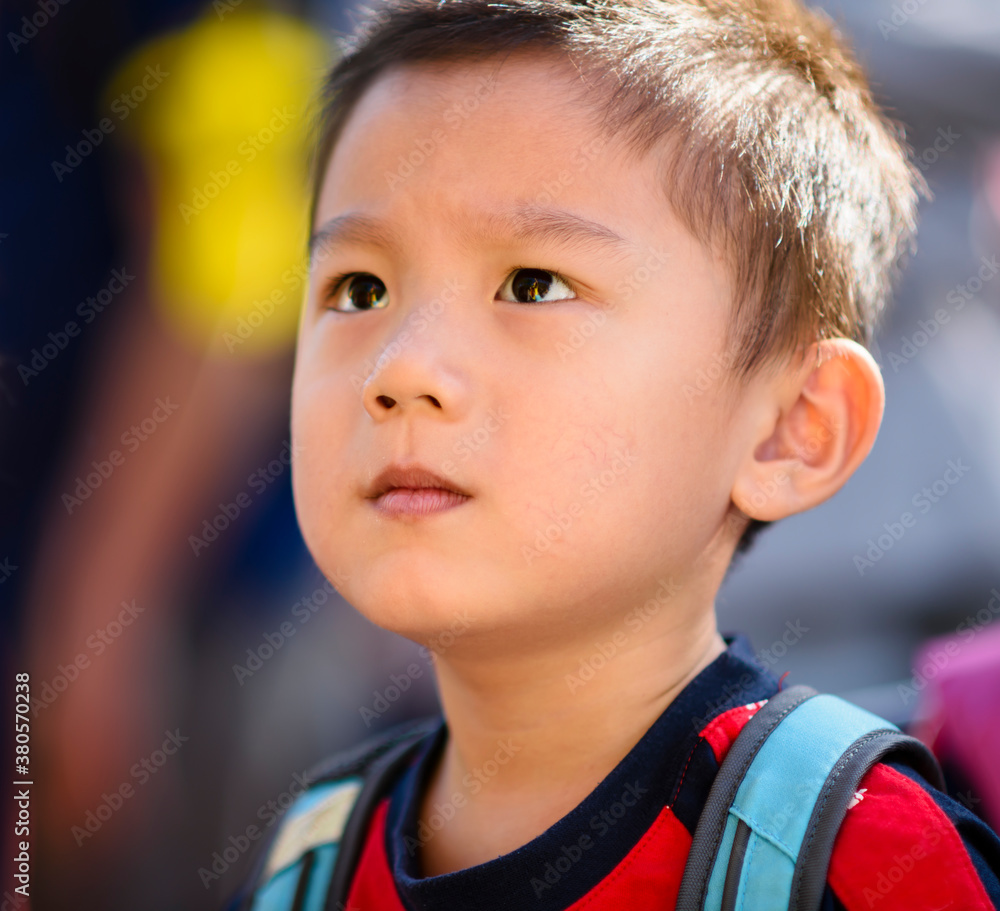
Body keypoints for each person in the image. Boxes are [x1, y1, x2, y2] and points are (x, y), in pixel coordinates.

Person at [230, 0, 1000, 907]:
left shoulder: (859, 856)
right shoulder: (310, 858)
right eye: (360, 289)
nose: (401, 371)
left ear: (795, 425)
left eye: (533, 284)